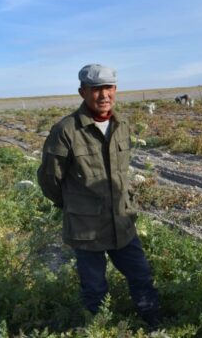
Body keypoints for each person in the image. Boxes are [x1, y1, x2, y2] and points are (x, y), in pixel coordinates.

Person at [37, 64, 160, 327]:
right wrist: (73, 205)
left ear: (115, 90)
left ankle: (153, 323)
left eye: (108, 88)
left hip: (122, 221)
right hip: (86, 227)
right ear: (83, 92)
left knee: (141, 275)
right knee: (94, 288)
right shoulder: (66, 130)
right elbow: (49, 179)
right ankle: (100, 330)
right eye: (96, 89)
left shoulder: (121, 125)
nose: (103, 95)